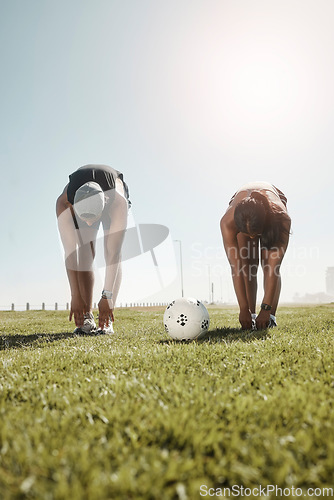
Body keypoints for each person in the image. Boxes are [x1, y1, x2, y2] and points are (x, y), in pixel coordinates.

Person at [56, 164, 130, 334]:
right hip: (83, 197)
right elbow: (70, 253)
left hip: (111, 192)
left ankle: (106, 319)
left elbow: (114, 255)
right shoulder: (64, 203)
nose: (89, 223)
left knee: (109, 248)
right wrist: (75, 295)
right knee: (84, 250)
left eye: (93, 218)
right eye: (85, 219)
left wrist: (107, 296)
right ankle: (87, 317)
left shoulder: (118, 203)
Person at [220, 182, 291, 330]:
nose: (253, 239)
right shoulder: (228, 222)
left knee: (268, 264)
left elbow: (273, 268)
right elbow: (237, 268)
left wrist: (265, 309)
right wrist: (243, 309)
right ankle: (251, 316)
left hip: (272, 210)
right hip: (243, 204)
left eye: (256, 234)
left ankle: (270, 317)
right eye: (247, 234)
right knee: (247, 265)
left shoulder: (281, 217)